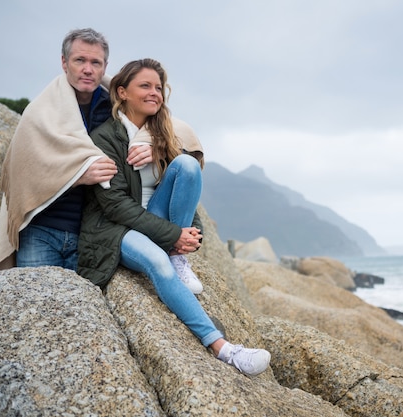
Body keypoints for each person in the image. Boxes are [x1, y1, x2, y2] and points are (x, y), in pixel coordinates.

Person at [76, 58, 271, 376]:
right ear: (122, 92)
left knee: (188, 165)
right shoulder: (104, 138)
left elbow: (184, 188)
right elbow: (115, 205)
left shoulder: (162, 134)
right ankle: (226, 350)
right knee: (157, 262)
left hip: (155, 219)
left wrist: (190, 229)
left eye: (158, 87)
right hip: (116, 228)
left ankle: (180, 258)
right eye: (145, 86)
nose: (154, 93)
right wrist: (172, 235)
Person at [0, 28, 152, 271]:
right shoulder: (40, 112)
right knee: (36, 306)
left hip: (92, 234)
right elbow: (21, 175)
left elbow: (163, 123)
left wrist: (152, 143)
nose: (88, 69)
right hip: (41, 231)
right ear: (64, 62)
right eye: (80, 60)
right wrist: (77, 175)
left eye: (95, 62)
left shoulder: (117, 105)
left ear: (105, 66)